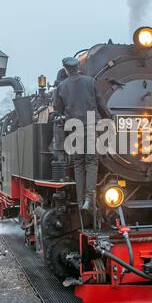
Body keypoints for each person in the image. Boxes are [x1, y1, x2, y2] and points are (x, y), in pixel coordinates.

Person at [54, 57, 111, 215]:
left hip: (74, 129)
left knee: (79, 164)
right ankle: (89, 199)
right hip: (91, 125)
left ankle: (80, 202)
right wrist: (109, 117)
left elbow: (57, 110)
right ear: (78, 67)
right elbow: (101, 103)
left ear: (65, 69)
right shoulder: (90, 81)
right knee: (91, 162)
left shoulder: (61, 86)